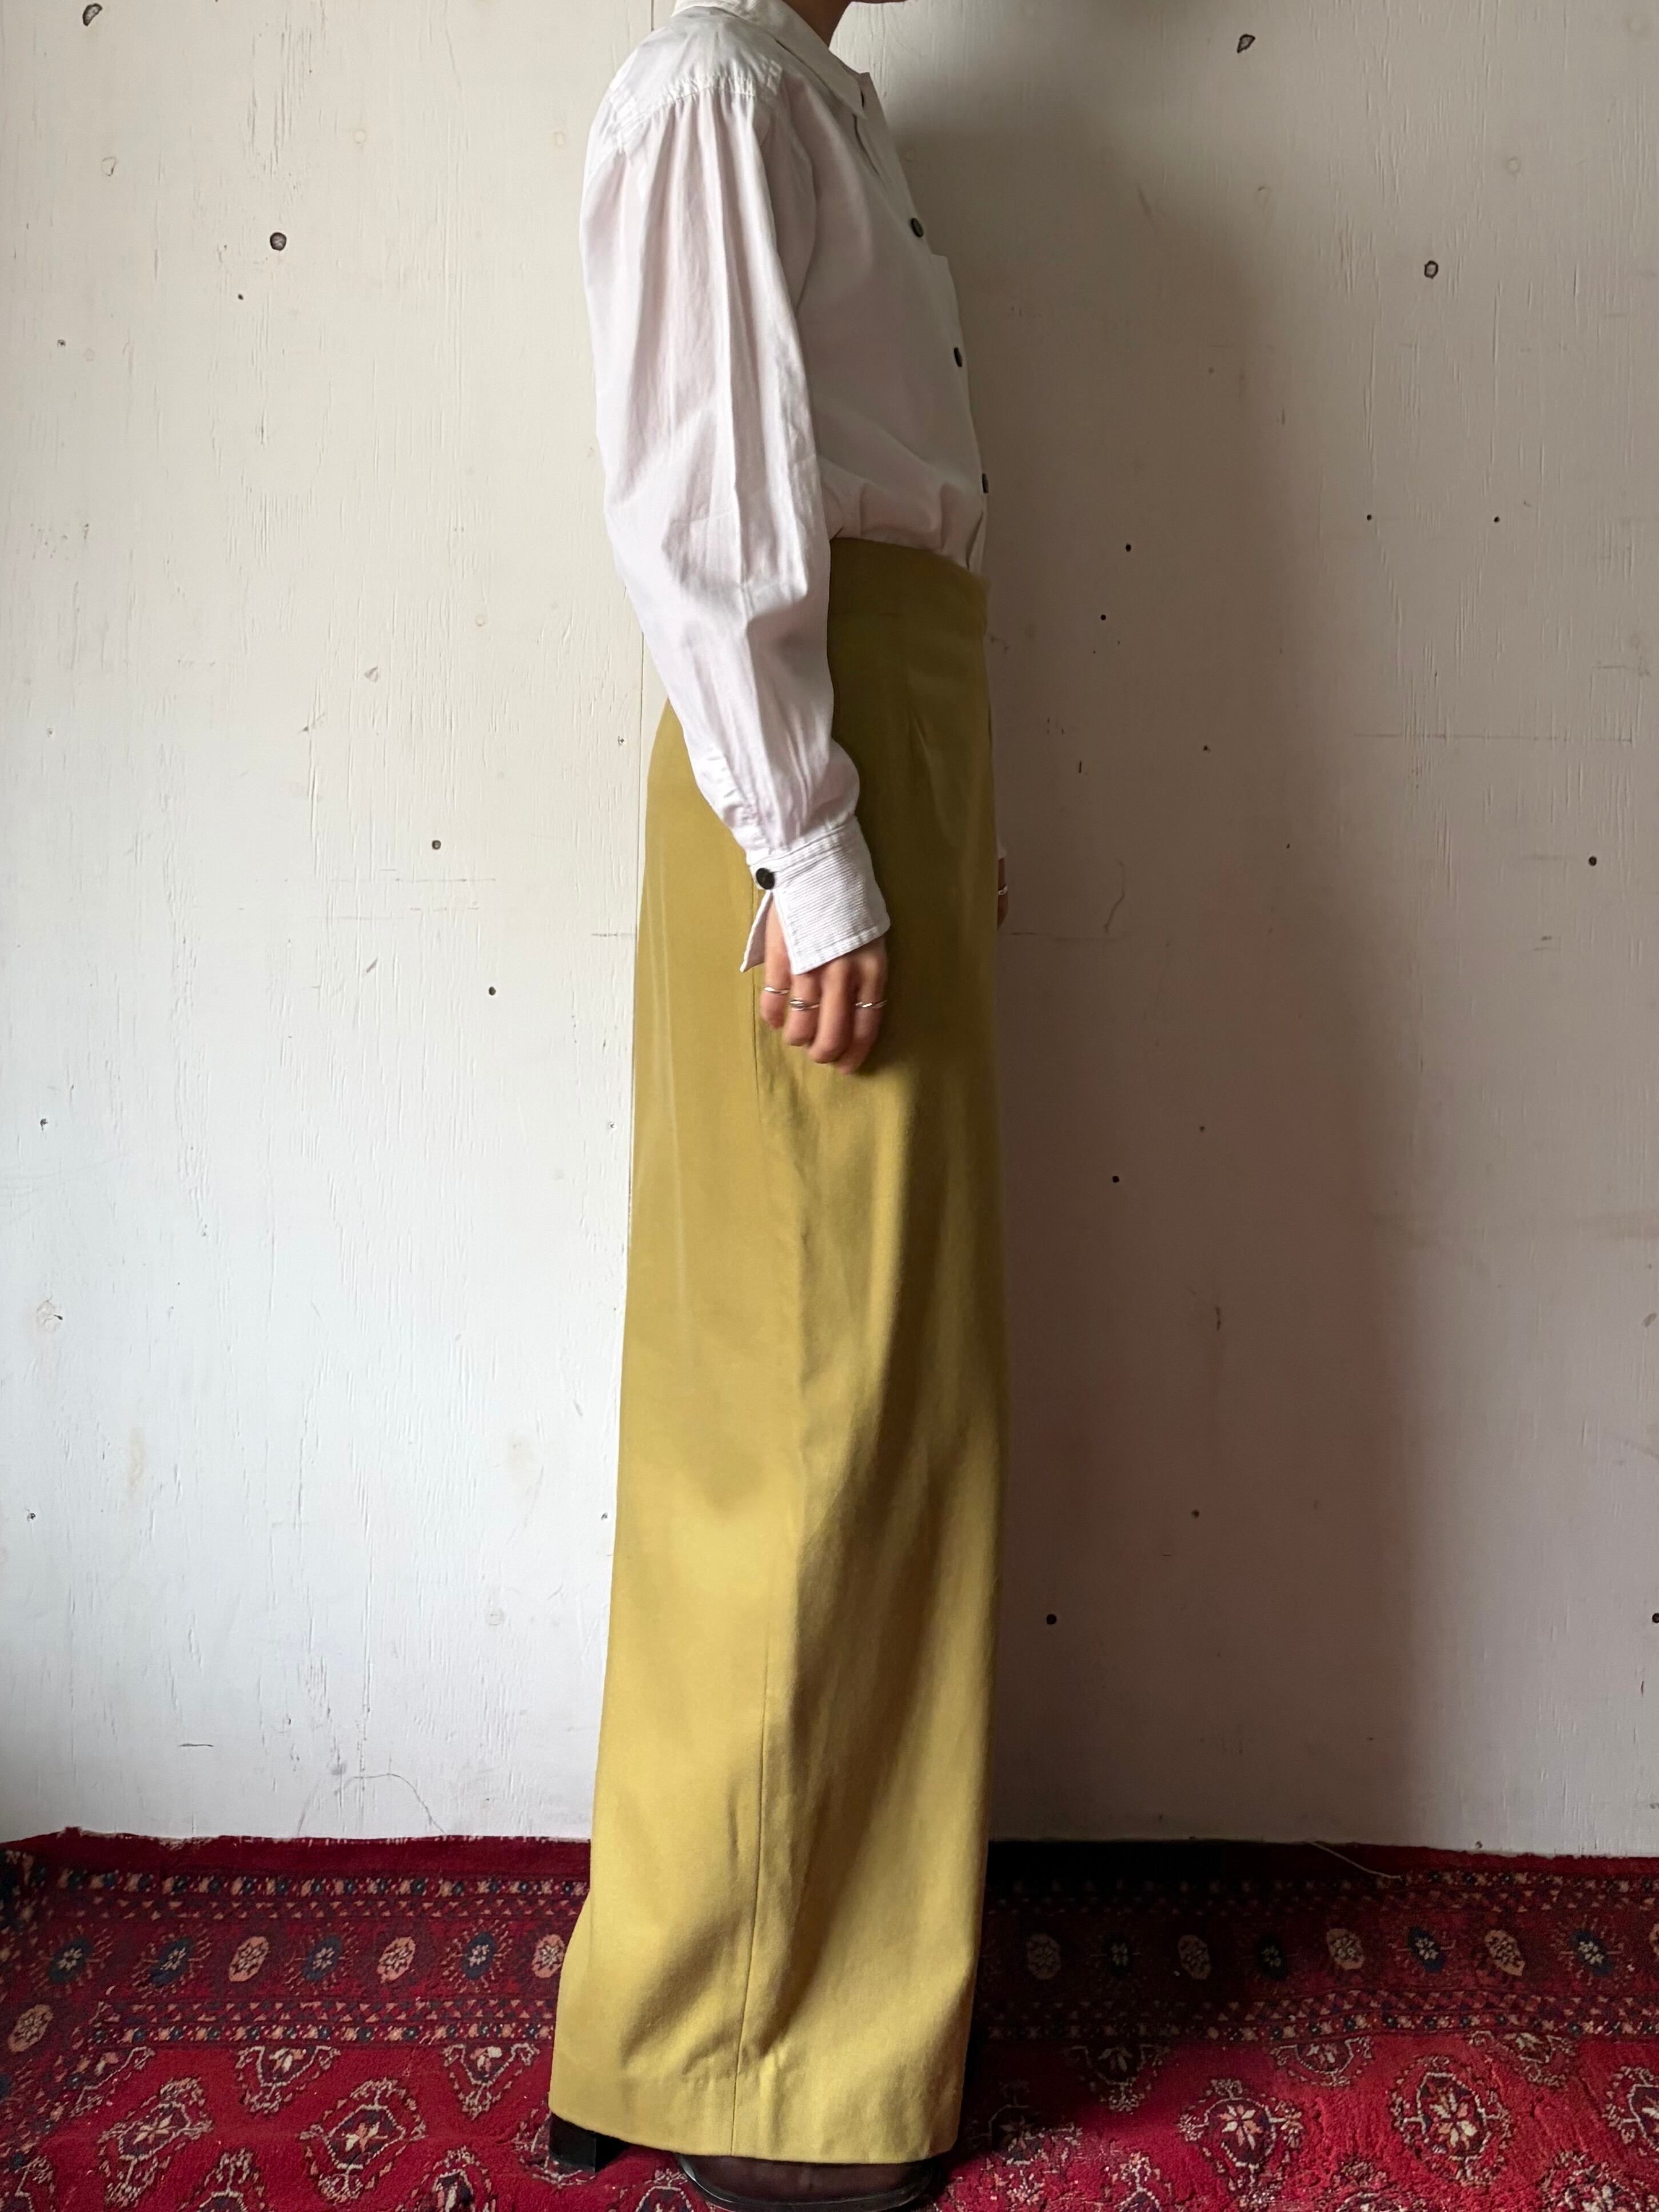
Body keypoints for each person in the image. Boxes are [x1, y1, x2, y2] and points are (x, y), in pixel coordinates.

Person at [547, 1, 1010, 2206]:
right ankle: (744, 2055)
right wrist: (812, 845)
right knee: (808, 1400)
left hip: (881, 726)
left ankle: (722, 2011)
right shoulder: (715, 87)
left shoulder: (818, 100)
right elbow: (708, 510)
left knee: (874, 1388)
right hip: (810, 755)